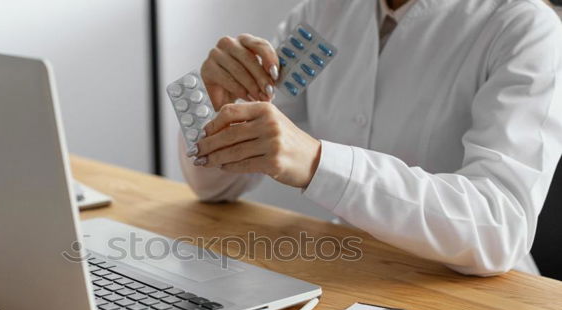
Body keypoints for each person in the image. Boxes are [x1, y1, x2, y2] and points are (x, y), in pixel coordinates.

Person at [179, 0, 562, 276]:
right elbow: (215, 186)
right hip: (350, 275)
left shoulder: (523, 26)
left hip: (481, 304)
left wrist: (317, 163)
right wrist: (218, 107)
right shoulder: (323, 14)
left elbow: (500, 228)